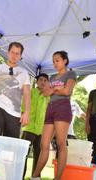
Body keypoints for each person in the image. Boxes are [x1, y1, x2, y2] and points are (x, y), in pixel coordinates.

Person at [32, 51, 76, 180]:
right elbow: (45, 93)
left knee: (61, 144)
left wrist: (54, 89)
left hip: (63, 107)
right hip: (50, 108)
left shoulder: (70, 74)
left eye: (57, 60)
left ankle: (57, 178)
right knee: (44, 144)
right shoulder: (51, 78)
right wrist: (57, 89)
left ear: (65, 61)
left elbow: (67, 90)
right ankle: (35, 176)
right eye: (53, 61)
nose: (54, 63)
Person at [21, 73, 50, 179]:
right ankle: (20, 175)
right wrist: (23, 115)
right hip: (28, 128)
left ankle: (36, 176)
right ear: (37, 81)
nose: (43, 82)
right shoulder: (31, 92)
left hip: (41, 130)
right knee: (24, 154)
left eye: (45, 80)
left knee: (39, 155)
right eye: (41, 80)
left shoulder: (48, 96)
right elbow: (24, 105)